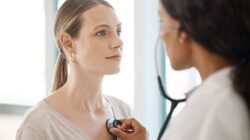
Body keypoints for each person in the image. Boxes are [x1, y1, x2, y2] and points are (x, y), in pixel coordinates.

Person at [110, 0, 250, 139]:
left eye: (162, 21)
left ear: (184, 31)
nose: (162, 34)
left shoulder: (212, 106)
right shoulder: (227, 93)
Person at [16, 0, 131, 139]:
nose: (118, 42)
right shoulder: (38, 126)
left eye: (118, 31)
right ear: (68, 43)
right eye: (101, 33)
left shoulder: (122, 111)